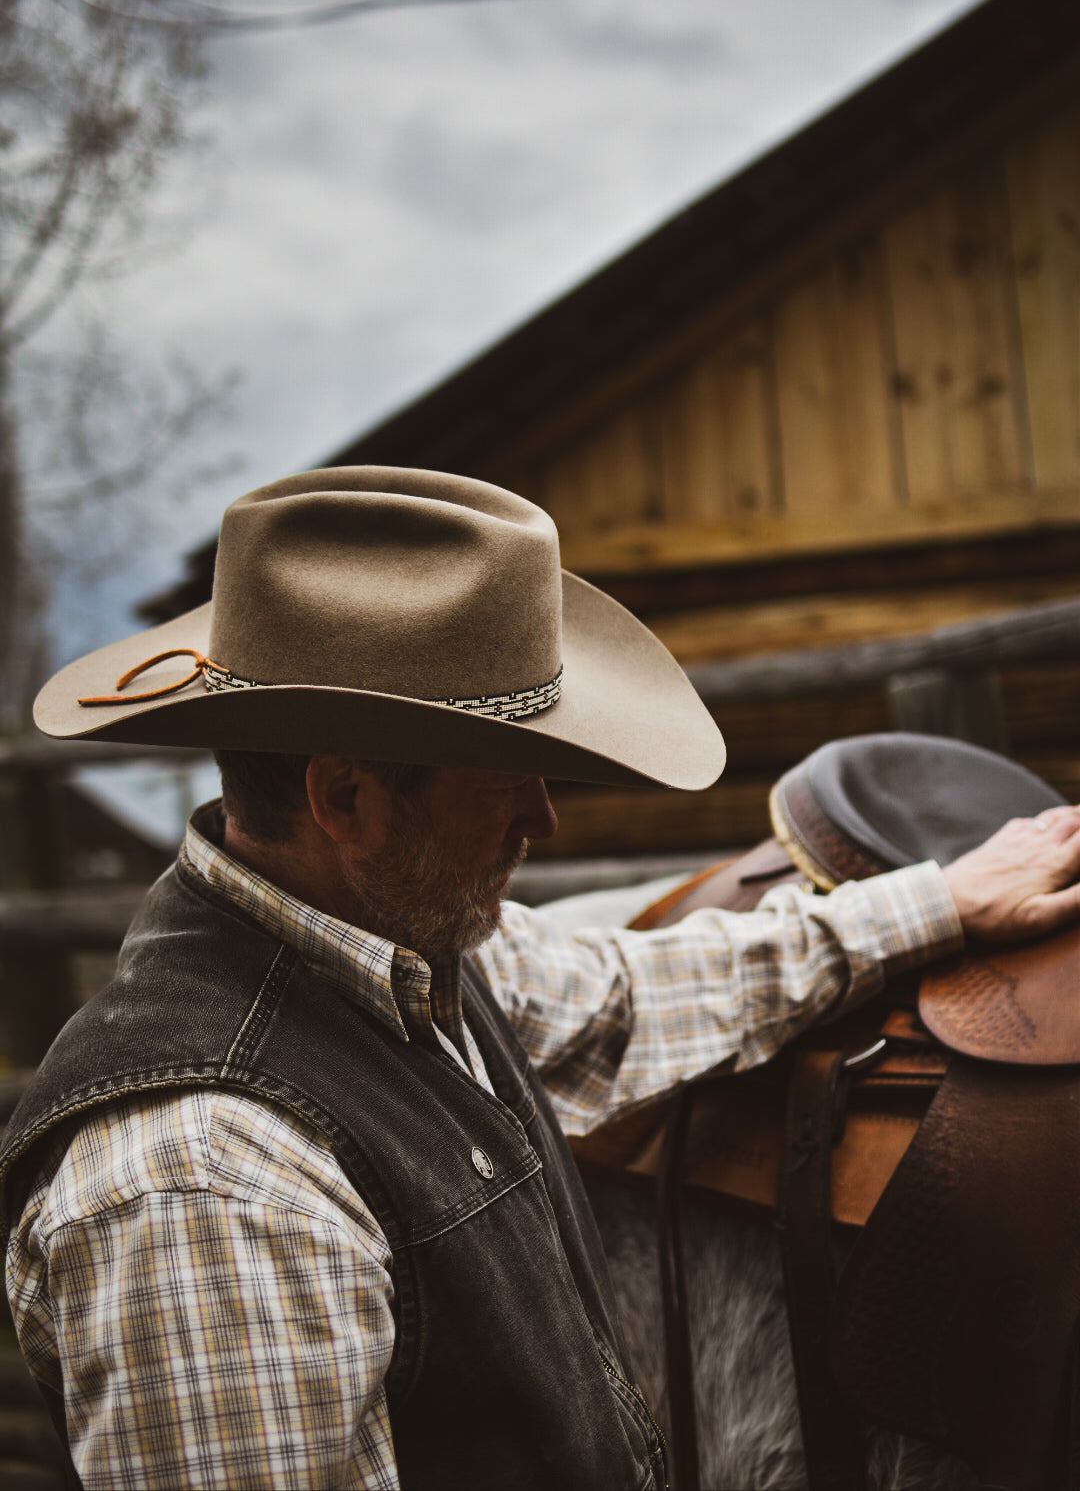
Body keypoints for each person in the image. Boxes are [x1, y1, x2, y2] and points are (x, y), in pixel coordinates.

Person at [3, 466, 1079, 1491]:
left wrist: (940, 903)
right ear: (347, 799)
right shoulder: (211, 1186)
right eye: (503, 783)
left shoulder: (405, 958)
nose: (543, 819)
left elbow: (624, 995)